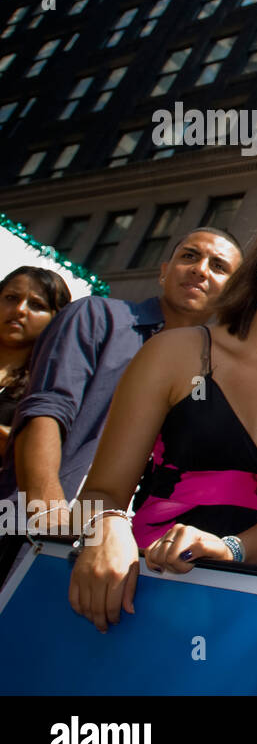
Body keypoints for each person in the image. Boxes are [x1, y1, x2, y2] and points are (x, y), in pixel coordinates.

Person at [67, 197, 257, 632]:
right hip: (133, 589)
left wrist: (231, 547)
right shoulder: (177, 353)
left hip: (249, 612)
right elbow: (100, 492)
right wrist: (105, 527)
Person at [1, 228, 241, 535]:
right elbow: (44, 411)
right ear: (164, 272)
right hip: (34, 530)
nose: (200, 269)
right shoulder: (96, 316)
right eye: (189, 256)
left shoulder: (207, 375)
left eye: (218, 267)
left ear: (232, 294)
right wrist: (50, 519)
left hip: (128, 552)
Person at [0, 267, 72, 454]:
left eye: (37, 305)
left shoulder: (48, 385)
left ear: (56, 319)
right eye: (11, 298)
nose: (20, 310)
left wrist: (15, 441)